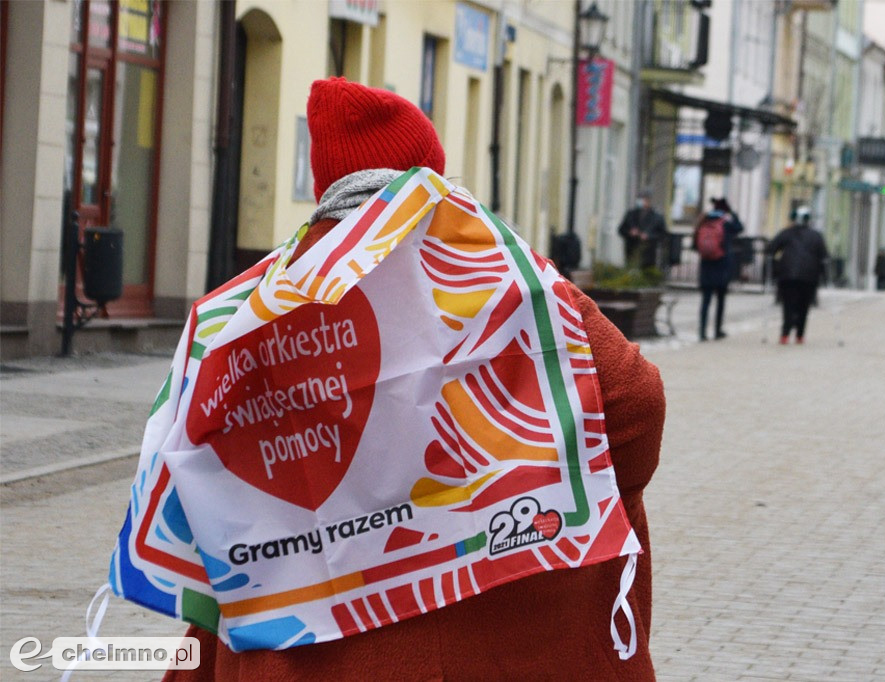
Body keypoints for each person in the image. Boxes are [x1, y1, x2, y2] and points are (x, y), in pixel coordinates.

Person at [163, 78, 664, 681]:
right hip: (499, 627)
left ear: (324, 187)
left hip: (311, 640)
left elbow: (199, 476)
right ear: (430, 174)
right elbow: (634, 408)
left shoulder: (256, 308)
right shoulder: (502, 277)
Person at [766, 206, 829, 344]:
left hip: (787, 275)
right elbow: (824, 256)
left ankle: (785, 334)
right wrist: (825, 277)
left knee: (788, 304)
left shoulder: (786, 233)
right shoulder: (816, 235)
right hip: (809, 276)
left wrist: (776, 268)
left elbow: (771, 249)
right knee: (804, 306)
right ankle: (799, 335)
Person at [694, 197, 743, 341]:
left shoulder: (704, 221)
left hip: (706, 266)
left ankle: (702, 332)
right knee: (720, 300)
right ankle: (717, 330)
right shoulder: (725, 223)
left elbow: (695, 245)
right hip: (722, 266)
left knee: (705, 301)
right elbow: (740, 228)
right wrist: (733, 213)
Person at [617, 188, 667, 270]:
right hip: (632, 252)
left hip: (648, 255)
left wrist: (649, 236)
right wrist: (630, 233)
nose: (642, 201)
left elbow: (663, 235)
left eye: (644, 198)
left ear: (649, 200)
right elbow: (621, 230)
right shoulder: (631, 214)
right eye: (640, 198)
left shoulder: (657, 217)